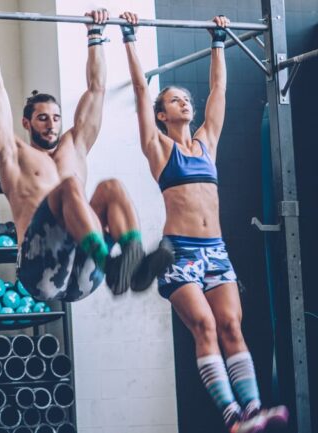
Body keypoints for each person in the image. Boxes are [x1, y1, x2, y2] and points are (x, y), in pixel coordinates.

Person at [119, 11, 288, 433]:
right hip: (179, 254)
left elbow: (218, 88)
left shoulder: (205, 143)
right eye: (175, 100)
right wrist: (128, 36)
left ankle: (251, 412)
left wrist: (218, 39)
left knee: (232, 324)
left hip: (216, 252)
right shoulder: (158, 149)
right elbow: (142, 90)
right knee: (206, 325)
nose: (185, 103)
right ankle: (231, 415)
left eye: (185, 100)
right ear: (162, 115)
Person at [0, 2, 173, 303]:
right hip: (40, 270)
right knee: (68, 188)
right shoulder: (12, 153)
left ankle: (133, 263)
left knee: (111, 187)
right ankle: (113, 265)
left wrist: (95, 35)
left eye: (55, 118)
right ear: (26, 122)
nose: (51, 125)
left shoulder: (74, 146)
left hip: (85, 273)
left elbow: (97, 89)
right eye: (42, 118)